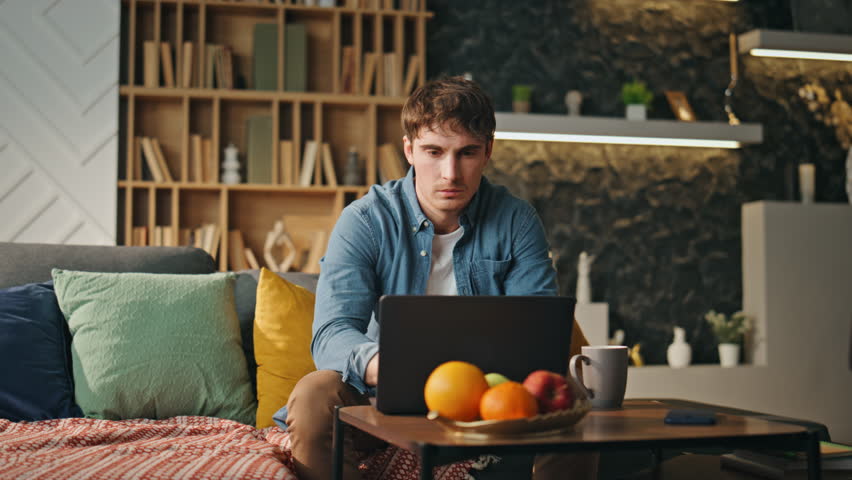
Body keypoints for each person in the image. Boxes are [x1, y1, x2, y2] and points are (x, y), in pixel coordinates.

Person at [275, 76, 597, 480]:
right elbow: (331, 334)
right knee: (313, 394)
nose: (450, 173)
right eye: (434, 151)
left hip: (486, 399)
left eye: (467, 153)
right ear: (409, 150)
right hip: (380, 397)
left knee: (571, 397)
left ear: (488, 151)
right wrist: (389, 367)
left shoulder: (516, 220)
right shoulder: (365, 220)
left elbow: (538, 330)